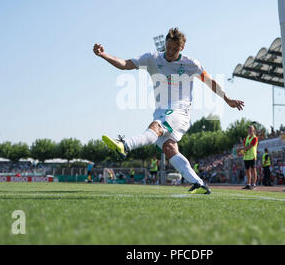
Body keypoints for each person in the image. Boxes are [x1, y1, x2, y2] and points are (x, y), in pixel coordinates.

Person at [94, 28, 244, 194]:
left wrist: (227, 98)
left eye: (175, 49)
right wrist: (103, 55)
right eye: (169, 48)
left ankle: (125, 145)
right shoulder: (152, 58)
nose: (171, 52)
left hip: (180, 112)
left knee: (156, 127)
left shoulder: (191, 64)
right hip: (161, 111)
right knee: (169, 148)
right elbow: (124, 64)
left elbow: (210, 81)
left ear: (182, 48)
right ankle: (199, 183)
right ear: (165, 44)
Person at [241, 125, 258, 190]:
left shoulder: (255, 138)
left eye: (251, 130)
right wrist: (242, 150)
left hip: (252, 156)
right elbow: (244, 145)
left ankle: (253, 184)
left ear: (254, 130)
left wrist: (240, 149)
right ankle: (248, 184)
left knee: (253, 170)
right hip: (246, 157)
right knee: (247, 171)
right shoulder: (247, 138)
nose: (250, 131)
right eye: (249, 130)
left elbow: (249, 147)